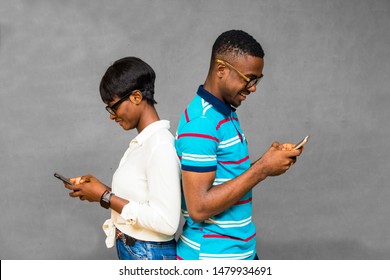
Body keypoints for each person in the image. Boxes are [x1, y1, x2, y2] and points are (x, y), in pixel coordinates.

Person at [175, 30, 304, 260]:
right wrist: (262, 169)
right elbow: (198, 208)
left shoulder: (225, 113)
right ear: (221, 70)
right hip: (211, 258)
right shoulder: (201, 124)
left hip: (240, 252)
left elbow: (226, 177)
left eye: (257, 80)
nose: (253, 87)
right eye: (249, 78)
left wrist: (267, 162)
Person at [63, 57, 181, 260]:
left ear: (136, 97)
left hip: (149, 256)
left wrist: (106, 197)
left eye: (113, 106)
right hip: (139, 252)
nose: (111, 115)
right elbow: (140, 199)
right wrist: (99, 191)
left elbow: (167, 222)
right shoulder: (144, 143)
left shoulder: (160, 145)